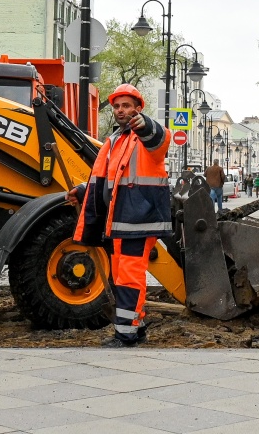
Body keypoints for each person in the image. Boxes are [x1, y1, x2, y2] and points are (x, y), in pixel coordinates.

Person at [67, 84, 170, 347]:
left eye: (126, 106)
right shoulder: (114, 141)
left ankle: (125, 334)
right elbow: (107, 177)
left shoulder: (146, 137)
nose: (120, 110)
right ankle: (137, 326)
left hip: (138, 219)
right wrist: (81, 191)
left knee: (128, 276)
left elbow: (159, 137)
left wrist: (143, 123)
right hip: (119, 220)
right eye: (117, 106)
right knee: (120, 276)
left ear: (138, 108)